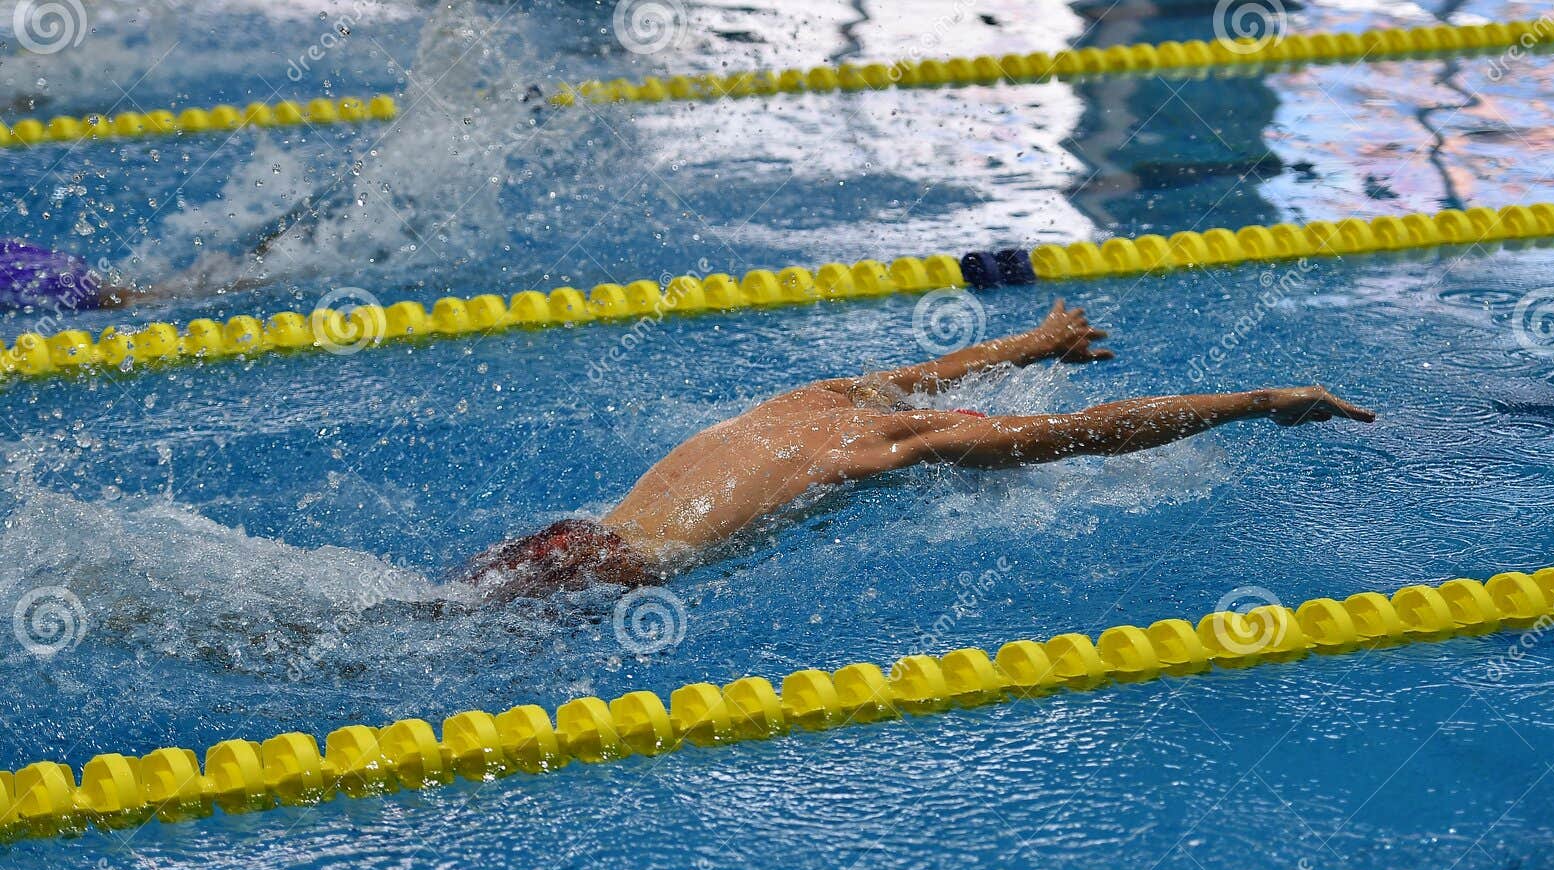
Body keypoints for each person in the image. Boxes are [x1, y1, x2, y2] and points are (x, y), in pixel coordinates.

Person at [463, 300, 1376, 601]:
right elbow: (1097, 429)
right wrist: (1257, 401)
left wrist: (1031, 342)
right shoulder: (904, 445)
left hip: (577, 538)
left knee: (416, 616)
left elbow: (933, 367)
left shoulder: (813, 398)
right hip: (616, 578)